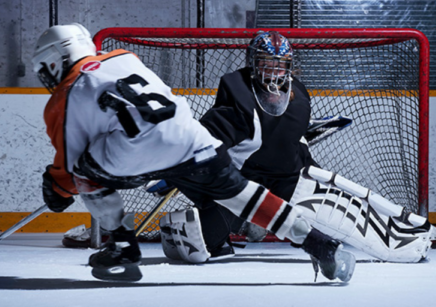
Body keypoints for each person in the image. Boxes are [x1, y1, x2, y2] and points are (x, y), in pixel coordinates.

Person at [33, 23, 356, 282]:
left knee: (85, 172)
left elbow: (69, 172)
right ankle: (318, 243)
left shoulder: (63, 98)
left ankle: (122, 247)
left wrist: (56, 189)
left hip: (137, 153)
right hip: (191, 138)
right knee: (244, 195)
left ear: (54, 61)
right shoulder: (123, 56)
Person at [150, 31, 436, 265]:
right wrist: (175, 170)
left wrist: (311, 165)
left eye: (280, 65)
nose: (274, 72)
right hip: (245, 187)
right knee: (208, 242)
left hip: (287, 182)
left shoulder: (299, 97)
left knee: (345, 217)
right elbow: (204, 145)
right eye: (267, 64)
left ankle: (408, 235)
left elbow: (292, 142)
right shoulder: (238, 100)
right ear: (253, 64)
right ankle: (250, 221)